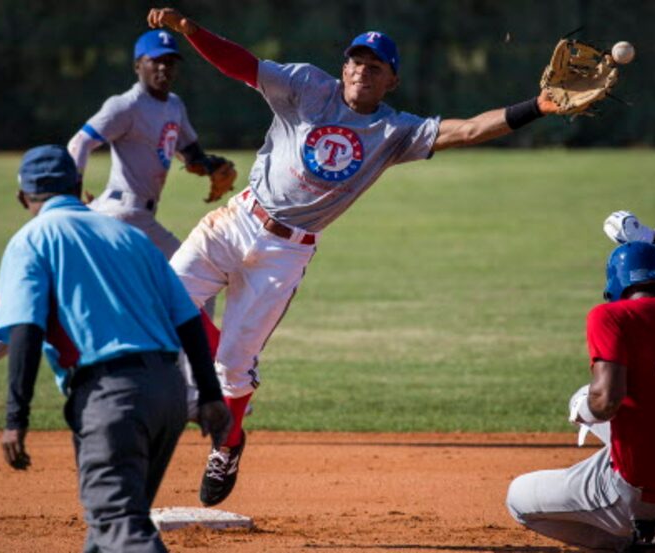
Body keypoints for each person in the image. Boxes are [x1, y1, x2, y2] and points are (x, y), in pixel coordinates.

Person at [146, 7, 561, 507]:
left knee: (236, 369)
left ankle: (229, 443)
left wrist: (536, 105)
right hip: (234, 221)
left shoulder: (394, 132)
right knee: (161, 301)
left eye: (376, 66)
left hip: (285, 252)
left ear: (391, 81)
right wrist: (189, 29)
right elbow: (241, 65)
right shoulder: (304, 86)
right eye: (356, 61)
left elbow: (470, 129)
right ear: (343, 68)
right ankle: (209, 373)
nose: (363, 70)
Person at [0, 28, 232, 408]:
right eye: (155, 61)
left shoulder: (174, 106)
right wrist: (73, 193)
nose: (163, 67)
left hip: (133, 215)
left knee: (70, 293)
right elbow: (80, 142)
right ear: (138, 65)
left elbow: (190, 154)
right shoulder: (125, 105)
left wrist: (212, 166)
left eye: (170, 61)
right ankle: (195, 391)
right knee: (199, 280)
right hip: (122, 213)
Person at [0, 144, 231, 551]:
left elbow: (27, 332)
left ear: (21, 198)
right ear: (81, 184)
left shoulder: (31, 240)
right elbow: (189, 319)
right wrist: (209, 395)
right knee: (108, 530)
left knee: (119, 522)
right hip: (168, 394)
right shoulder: (130, 236)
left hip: (112, 399)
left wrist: (16, 417)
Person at [506, 211, 655, 552]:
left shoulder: (612, 316)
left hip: (636, 490)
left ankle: (636, 543)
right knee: (603, 396)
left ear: (613, 286)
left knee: (518, 498)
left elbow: (606, 401)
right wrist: (653, 242)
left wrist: (584, 410)